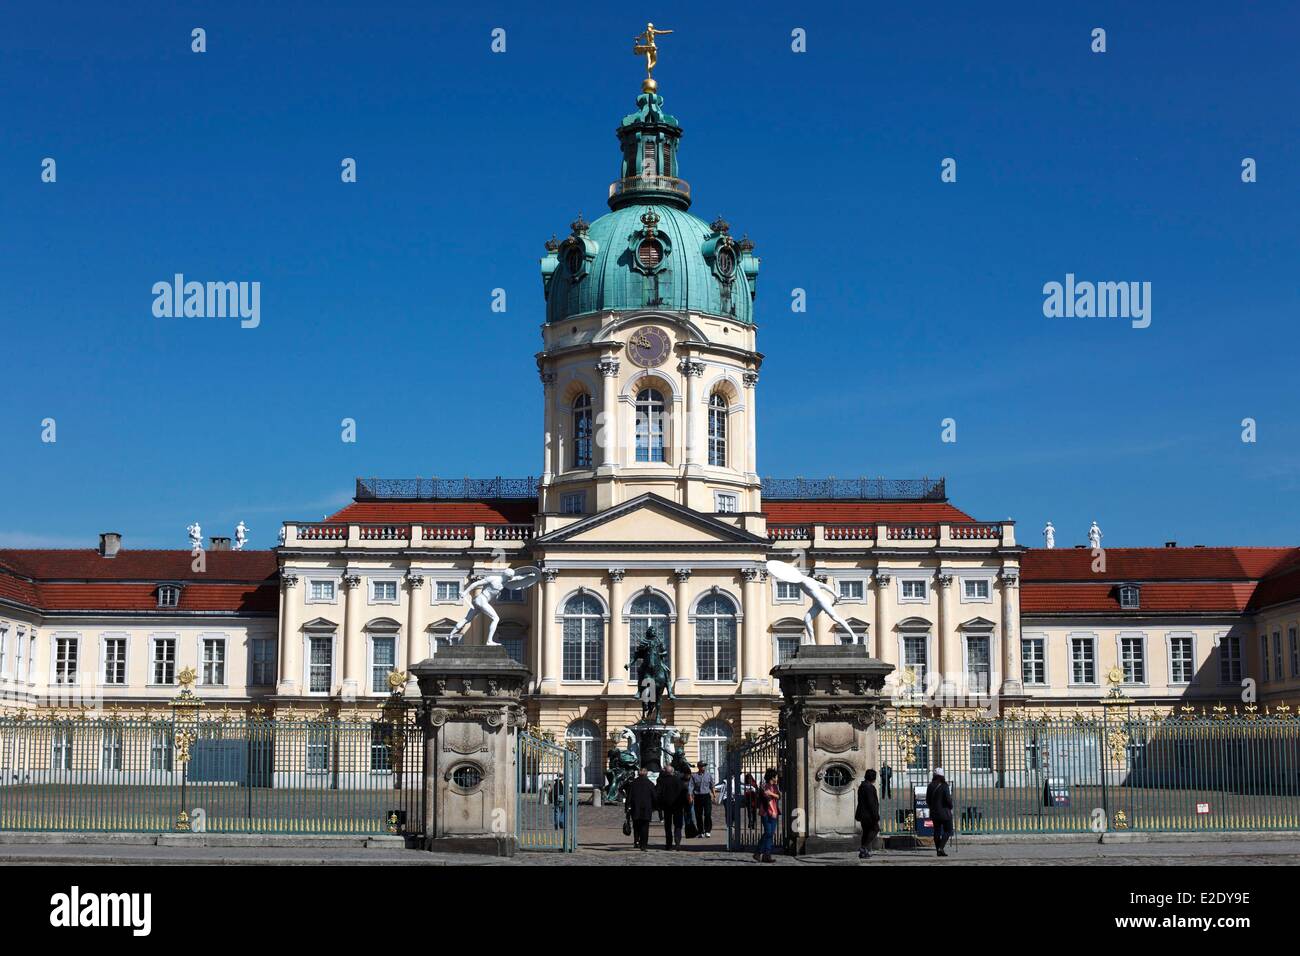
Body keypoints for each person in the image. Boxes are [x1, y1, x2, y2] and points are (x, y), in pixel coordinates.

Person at [655, 760, 688, 848]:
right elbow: (684, 793)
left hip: (667, 806)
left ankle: (668, 844)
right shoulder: (678, 781)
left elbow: (658, 793)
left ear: (665, 772)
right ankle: (677, 842)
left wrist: (659, 804)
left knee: (668, 825)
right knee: (678, 825)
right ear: (673, 772)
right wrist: (685, 805)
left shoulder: (661, 781)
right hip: (678, 806)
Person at [626, 766, 656, 851]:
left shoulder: (633, 783)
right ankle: (644, 845)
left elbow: (629, 796)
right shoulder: (650, 784)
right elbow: (654, 796)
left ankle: (636, 841)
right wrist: (655, 807)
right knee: (645, 827)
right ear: (646, 774)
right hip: (646, 808)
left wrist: (627, 807)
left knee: (636, 825)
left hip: (635, 808)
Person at [927, 767, 954, 858]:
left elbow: (927, 800)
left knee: (937, 831)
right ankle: (940, 848)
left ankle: (938, 850)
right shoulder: (944, 785)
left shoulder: (930, 786)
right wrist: (951, 806)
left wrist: (933, 807)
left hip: (934, 812)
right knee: (948, 830)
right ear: (942, 775)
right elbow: (948, 800)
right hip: (945, 812)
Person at [754, 768, 780, 863]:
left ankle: (767, 855)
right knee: (768, 832)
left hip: (774, 812)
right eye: (776, 776)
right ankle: (758, 852)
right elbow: (767, 798)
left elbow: (779, 796)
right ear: (772, 777)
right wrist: (772, 811)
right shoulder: (764, 786)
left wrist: (772, 793)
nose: (777, 778)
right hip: (766, 812)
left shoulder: (775, 787)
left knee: (770, 834)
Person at [855, 768, 881, 859]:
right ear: (873, 778)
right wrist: (876, 815)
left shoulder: (862, 786)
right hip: (869, 814)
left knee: (866, 832)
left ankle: (863, 853)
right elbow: (871, 803)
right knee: (875, 829)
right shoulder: (869, 787)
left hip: (862, 813)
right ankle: (863, 848)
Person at [690, 761, 715, 838]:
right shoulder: (694, 776)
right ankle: (700, 831)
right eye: (702, 766)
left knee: (707, 814)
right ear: (699, 767)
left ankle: (707, 830)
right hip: (698, 796)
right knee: (698, 815)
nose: (703, 767)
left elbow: (712, 785)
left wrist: (714, 795)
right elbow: (691, 787)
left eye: (704, 766)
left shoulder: (708, 775)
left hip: (706, 796)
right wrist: (690, 796)